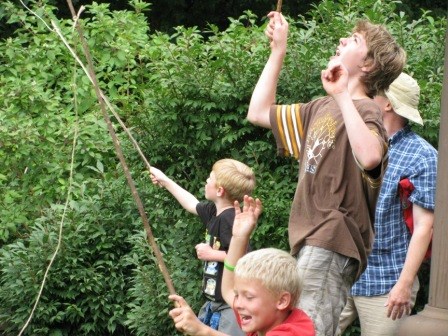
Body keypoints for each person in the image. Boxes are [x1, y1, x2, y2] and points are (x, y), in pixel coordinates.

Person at [246, 11, 406, 336]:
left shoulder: (367, 110)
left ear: (369, 66)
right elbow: (258, 112)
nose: (344, 39)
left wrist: (343, 95)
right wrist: (279, 50)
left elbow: (372, 155)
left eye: (356, 40)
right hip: (309, 240)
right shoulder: (319, 107)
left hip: (333, 238)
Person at [338, 73, 437, 336]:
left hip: (387, 281)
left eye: (372, 93)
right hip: (341, 272)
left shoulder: (422, 156)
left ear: (388, 104)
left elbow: (424, 228)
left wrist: (404, 284)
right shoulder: (357, 141)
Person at [169, 196, 315, 336]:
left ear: (282, 301)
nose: (237, 304)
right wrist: (239, 237)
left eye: (249, 297)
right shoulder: (263, 321)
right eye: (238, 295)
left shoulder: (295, 330)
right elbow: (227, 289)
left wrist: (203, 330)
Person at [150, 159, 256, 335]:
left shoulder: (230, 219)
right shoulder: (214, 212)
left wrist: (212, 254)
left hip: (229, 305)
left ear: (220, 190)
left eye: (210, 178)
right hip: (215, 303)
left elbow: (245, 258)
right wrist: (165, 180)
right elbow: (191, 203)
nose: (206, 181)